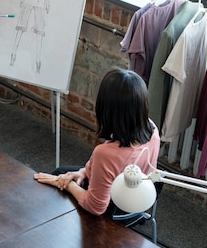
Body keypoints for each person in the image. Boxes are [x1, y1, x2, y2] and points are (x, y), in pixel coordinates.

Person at [34, 68, 161, 216]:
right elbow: (111, 168)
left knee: (58, 177)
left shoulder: (105, 153)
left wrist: (68, 184)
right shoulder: (151, 129)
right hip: (136, 202)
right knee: (62, 173)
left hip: (113, 210)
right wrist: (83, 172)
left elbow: (96, 207)